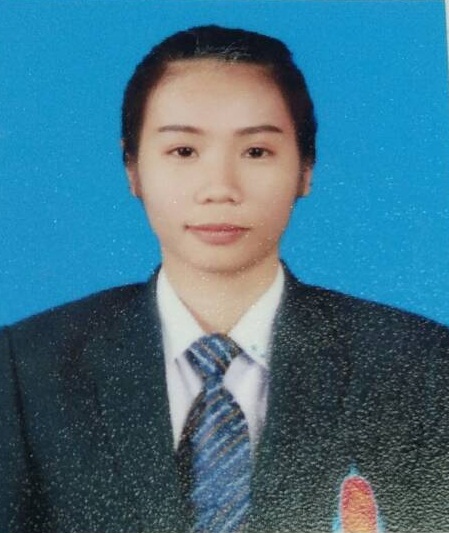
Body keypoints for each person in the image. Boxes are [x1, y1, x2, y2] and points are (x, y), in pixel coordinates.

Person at [1, 24, 448, 533]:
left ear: (305, 168)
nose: (220, 188)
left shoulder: (421, 365)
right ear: (133, 168)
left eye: (256, 151)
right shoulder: (26, 369)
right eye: (184, 151)